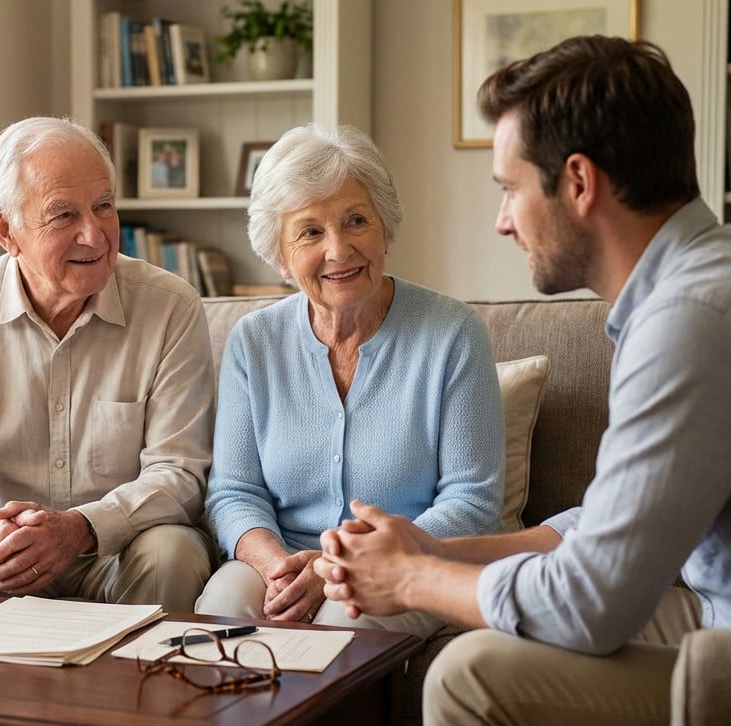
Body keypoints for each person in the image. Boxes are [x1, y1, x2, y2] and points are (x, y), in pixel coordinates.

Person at [314, 36, 731, 726]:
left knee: (474, 679)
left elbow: (589, 606)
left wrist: (411, 577)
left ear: (578, 183)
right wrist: (435, 546)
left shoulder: (695, 322)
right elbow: (605, 526)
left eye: (509, 188)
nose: (502, 221)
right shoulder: (712, 280)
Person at [0, 116, 217, 612]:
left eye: (104, 206)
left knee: (172, 552)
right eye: (63, 215)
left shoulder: (170, 307)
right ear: (6, 230)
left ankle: (142, 691)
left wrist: (78, 530)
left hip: (115, 551)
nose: (95, 236)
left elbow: (179, 472)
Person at [194, 123, 505, 643]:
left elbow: (472, 501)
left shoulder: (454, 334)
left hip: (403, 564)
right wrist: (279, 568)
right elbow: (233, 491)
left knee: (343, 621)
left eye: (356, 221)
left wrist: (335, 567)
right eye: (310, 231)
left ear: (385, 227)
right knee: (223, 608)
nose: (339, 250)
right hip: (281, 559)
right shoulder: (255, 342)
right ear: (279, 251)